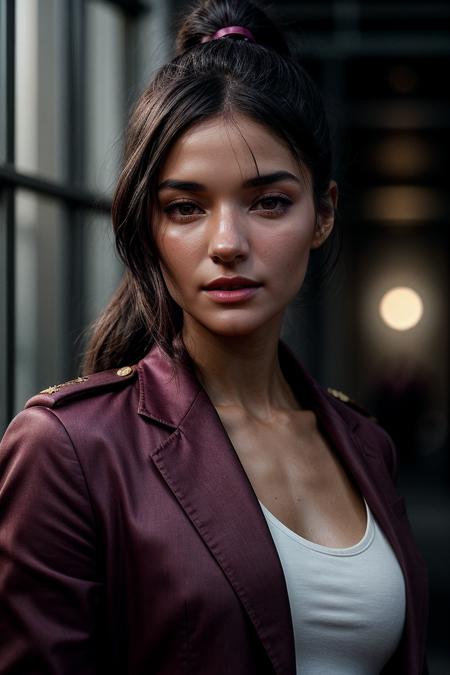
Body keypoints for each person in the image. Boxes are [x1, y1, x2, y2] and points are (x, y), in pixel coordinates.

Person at [0, 1, 428, 673]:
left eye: (267, 202)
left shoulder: (364, 444)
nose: (227, 244)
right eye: (186, 208)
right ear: (150, 226)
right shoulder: (69, 449)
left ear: (324, 214)